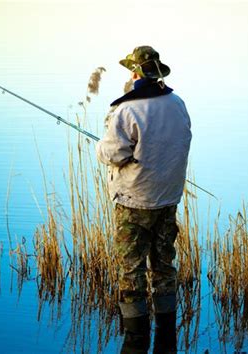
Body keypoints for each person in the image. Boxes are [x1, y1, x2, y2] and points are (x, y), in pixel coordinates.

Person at [96, 46, 192, 353]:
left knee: (131, 268)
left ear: (136, 74)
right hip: (167, 199)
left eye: (131, 72)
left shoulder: (127, 110)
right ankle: (166, 329)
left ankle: (135, 337)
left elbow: (113, 154)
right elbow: (182, 140)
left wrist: (101, 147)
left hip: (133, 202)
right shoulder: (177, 104)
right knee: (164, 265)